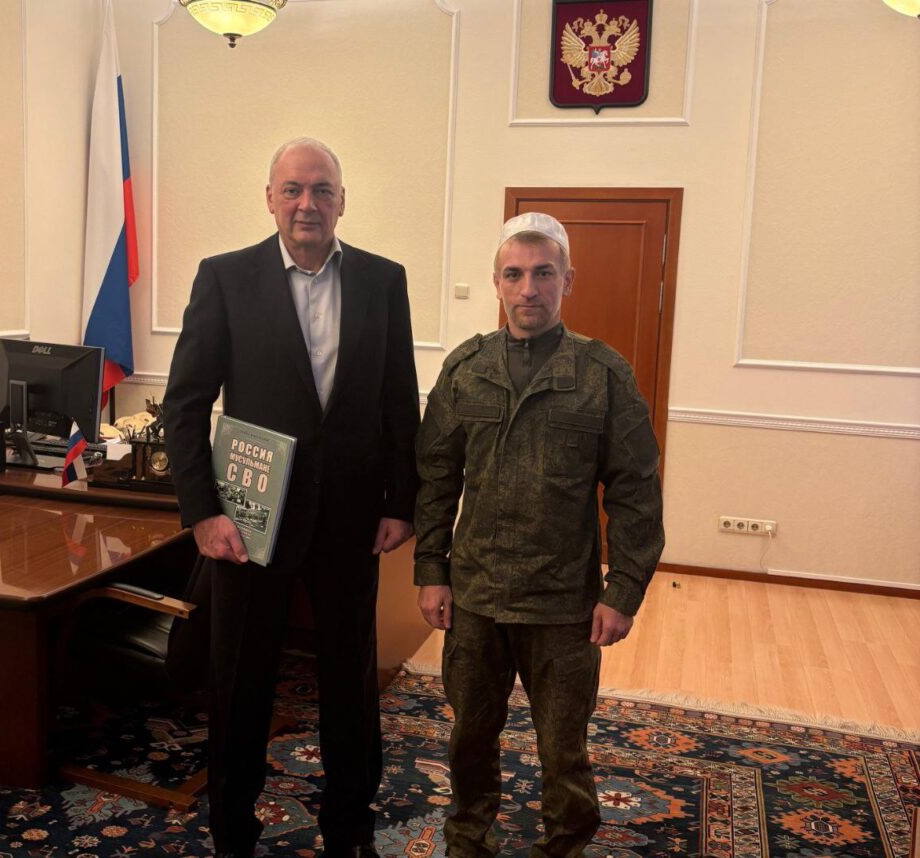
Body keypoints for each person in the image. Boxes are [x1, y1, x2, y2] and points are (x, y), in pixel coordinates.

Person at [163, 137, 419, 858]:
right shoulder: (225, 278)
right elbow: (185, 405)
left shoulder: (382, 280)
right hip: (250, 523)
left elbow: (400, 401)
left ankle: (349, 828)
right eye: (293, 189)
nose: (308, 203)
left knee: (350, 682)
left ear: (342, 200)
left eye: (322, 189)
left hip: (351, 522)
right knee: (239, 681)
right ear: (270, 198)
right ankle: (233, 831)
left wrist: (401, 501)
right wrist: (202, 513)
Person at [413, 212, 664, 857]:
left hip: (563, 603)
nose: (529, 289)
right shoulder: (466, 369)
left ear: (567, 281)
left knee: (563, 746)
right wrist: (431, 570)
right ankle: (469, 837)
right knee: (470, 736)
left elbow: (636, 489)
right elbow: (435, 475)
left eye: (544, 273)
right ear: (496, 283)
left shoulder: (603, 374)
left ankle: (567, 844)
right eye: (514, 274)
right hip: (476, 597)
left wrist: (623, 590)